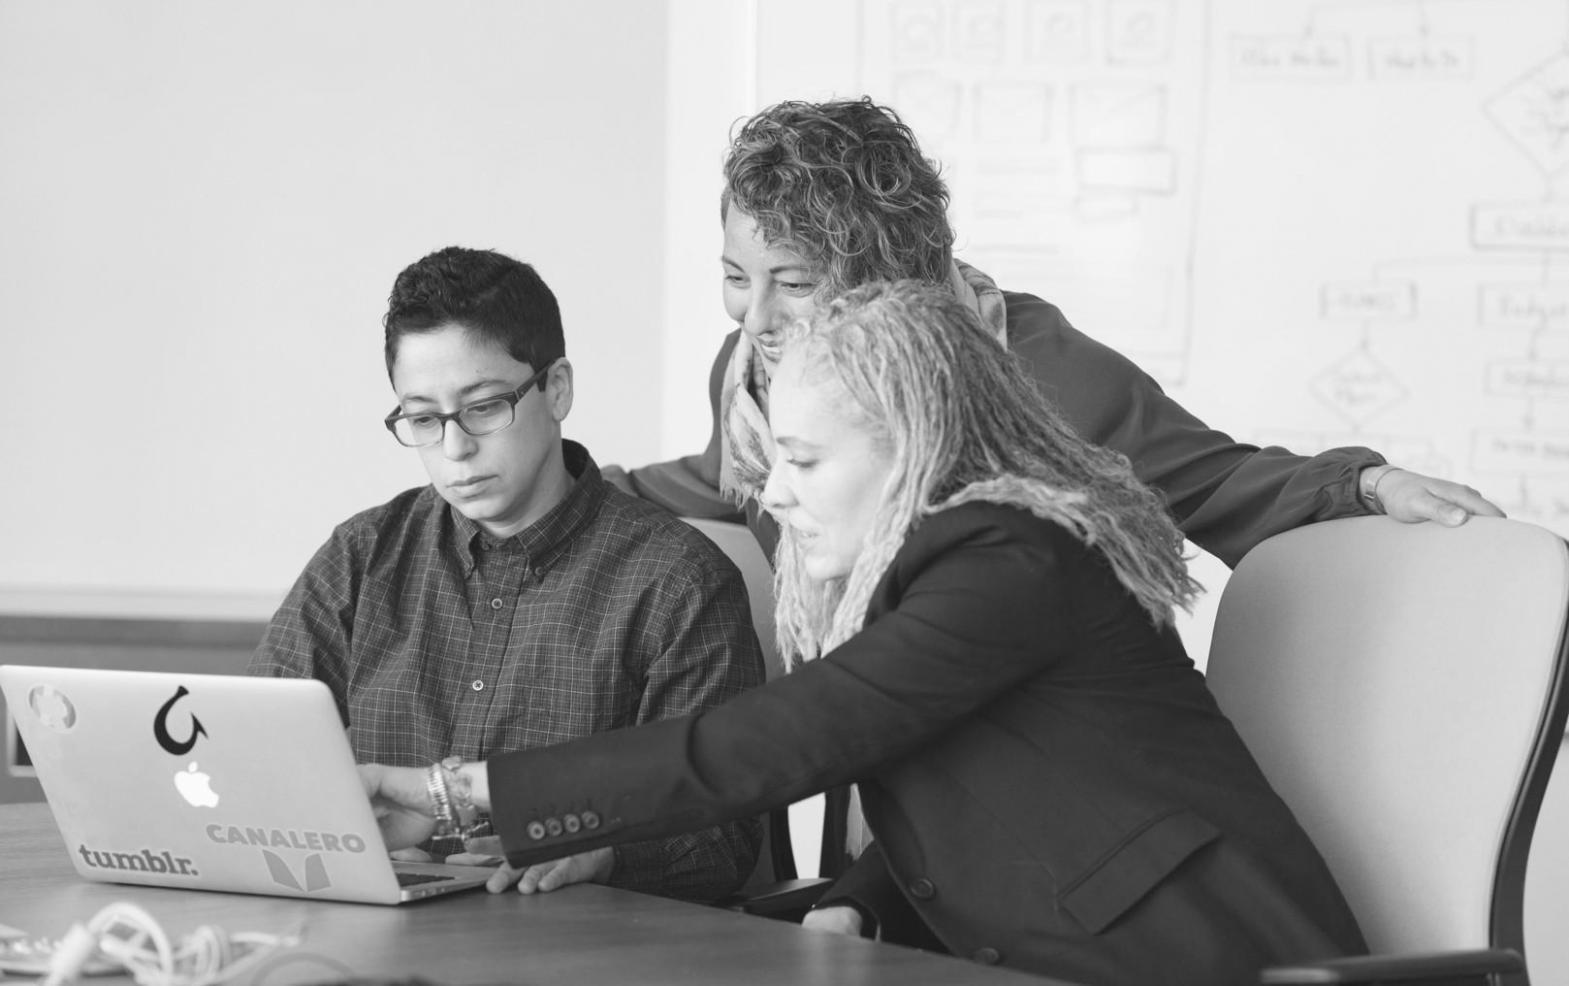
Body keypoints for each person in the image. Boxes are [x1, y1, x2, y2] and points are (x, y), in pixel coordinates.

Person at [361, 280, 1368, 986]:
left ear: (911, 442)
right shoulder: (939, 568)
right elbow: (997, 791)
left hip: (1200, 964)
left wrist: (460, 792)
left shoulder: (1008, 560)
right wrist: (863, 901)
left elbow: (771, 741)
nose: (776, 496)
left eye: (801, 459)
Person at [605, 97, 1501, 568]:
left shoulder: (1036, 371)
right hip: (887, 779)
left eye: (791, 284)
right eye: (733, 277)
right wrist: (572, 486)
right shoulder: (751, 372)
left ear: (883, 275)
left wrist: (1370, 486)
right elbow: (728, 484)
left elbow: (1213, 483)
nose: (753, 317)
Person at [249, 246, 765, 903]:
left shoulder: (676, 580)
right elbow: (258, 752)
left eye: (484, 407)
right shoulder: (364, 554)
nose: (455, 447)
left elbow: (720, 841)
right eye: (422, 418)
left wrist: (606, 852)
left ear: (556, 389)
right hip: (376, 939)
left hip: (575, 950)